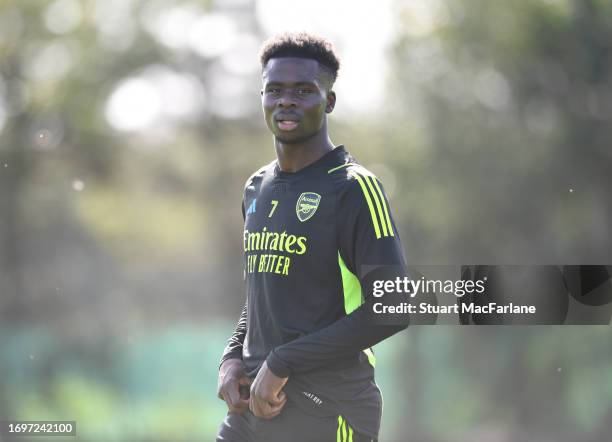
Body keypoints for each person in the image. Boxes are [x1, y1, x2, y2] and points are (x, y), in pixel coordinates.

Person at [216, 32, 408, 442]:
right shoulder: (256, 187)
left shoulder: (353, 188)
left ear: (329, 102)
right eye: (275, 90)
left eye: (304, 90)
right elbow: (262, 297)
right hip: (253, 409)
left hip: (328, 411)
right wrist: (232, 358)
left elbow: (393, 305)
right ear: (262, 97)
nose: (286, 101)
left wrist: (284, 362)